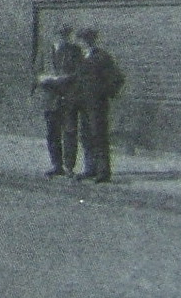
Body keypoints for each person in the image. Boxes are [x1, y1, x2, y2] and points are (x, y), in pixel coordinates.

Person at [74, 27, 124, 183]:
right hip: (83, 103)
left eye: (86, 40)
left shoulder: (102, 57)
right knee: (86, 136)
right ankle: (90, 169)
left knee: (99, 136)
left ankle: (103, 171)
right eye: (81, 40)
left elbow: (117, 79)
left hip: (97, 105)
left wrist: (102, 93)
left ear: (91, 40)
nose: (83, 43)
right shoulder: (80, 58)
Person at [35, 25, 81, 177]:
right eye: (60, 34)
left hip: (68, 98)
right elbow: (37, 72)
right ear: (54, 35)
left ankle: (69, 166)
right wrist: (43, 78)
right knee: (52, 133)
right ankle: (56, 165)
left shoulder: (75, 51)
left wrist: (64, 78)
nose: (62, 38)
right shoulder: (45, 52)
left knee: (69, 132)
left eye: (65, 35)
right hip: (50, 99)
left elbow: (78, 74)